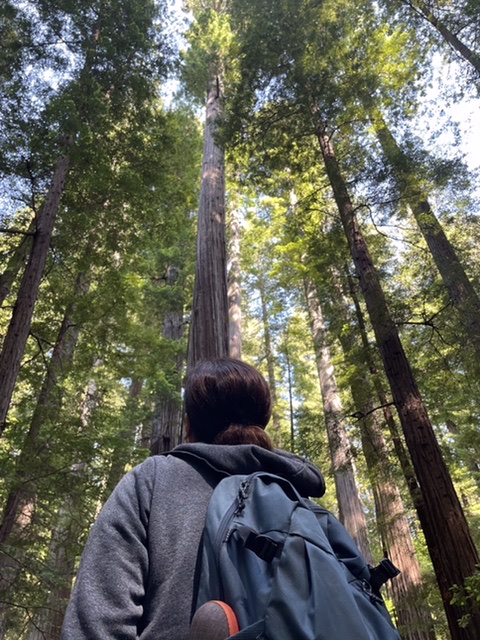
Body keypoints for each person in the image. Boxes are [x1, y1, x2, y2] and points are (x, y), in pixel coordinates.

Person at [61, 358, 326, 639]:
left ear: (188, 424)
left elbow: (97, 622)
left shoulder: (153, 479)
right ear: (262, 423)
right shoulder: (298, 499)